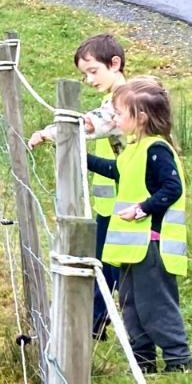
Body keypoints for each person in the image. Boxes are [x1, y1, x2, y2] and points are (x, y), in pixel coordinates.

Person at [88, 76, 192, 373]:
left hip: (152, 246)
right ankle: (143, 360)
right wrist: (76, 154)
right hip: (131, 249)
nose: (115, 118)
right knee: (131, 307)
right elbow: (113, 169)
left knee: (156, 305)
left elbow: (172, 188)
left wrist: (142, 209)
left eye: (119, 113)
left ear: (141, 117)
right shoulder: (133, 149)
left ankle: (178, 360)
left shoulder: (157, 150)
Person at [29, 34, 127, 339]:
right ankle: (97, 320)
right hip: (122, 193)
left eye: (93, 71)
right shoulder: (120, 97)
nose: (88, 79)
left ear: (115, 63)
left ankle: (96, 321)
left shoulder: (122, 101)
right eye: (84, 74)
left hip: (133, 193)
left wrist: (47, 133)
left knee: (108, 260)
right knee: (107, 258)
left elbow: (86, 125)